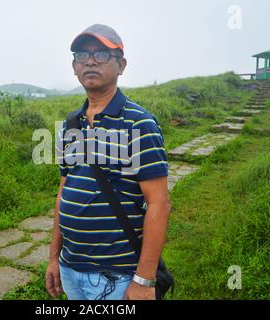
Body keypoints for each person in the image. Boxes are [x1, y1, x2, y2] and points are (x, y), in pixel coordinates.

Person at [45, 24, 171, 300]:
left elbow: (159, 203)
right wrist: (54, 258)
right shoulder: (70, 125)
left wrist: (144, 279)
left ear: (121, 65)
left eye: (101, 54)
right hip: (70, 269)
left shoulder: (139, 124)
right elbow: (63, 192)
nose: (90, 61)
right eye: (82, 54)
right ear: (74, 66)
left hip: (117, 277)